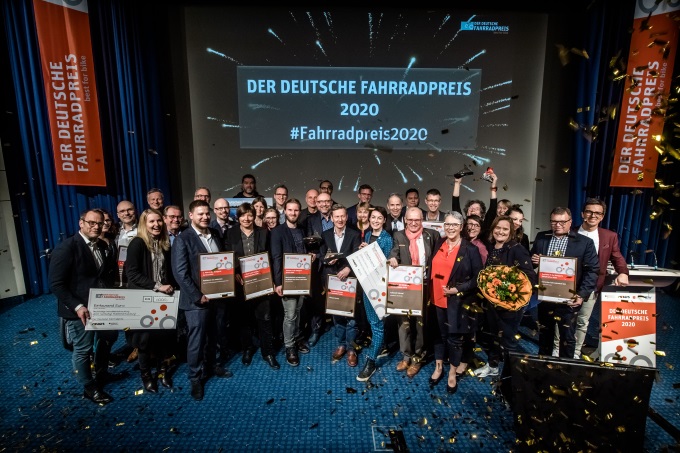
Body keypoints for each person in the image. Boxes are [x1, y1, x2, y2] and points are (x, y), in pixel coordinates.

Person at [49, 209, 120, 405]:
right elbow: (56, 284)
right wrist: (77, 306)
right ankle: (89, 388)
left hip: (102, 305)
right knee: (83, 349)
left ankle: (102, 373)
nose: (96, 226)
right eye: (91, 223)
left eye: (100, 223)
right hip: (79, 310)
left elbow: (101, 277)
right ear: (81, 223)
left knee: (108, 338)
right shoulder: (66, 248)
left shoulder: (102, 245)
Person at [172, 200, 233, 401]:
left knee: (215, 335)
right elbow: (180, 273)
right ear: (191, 215)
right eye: (200, 214)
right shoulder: (183, 239)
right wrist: (198, 296)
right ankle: (195, 377)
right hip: (196, 301)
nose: (205, 217)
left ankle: (212, 365)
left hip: (217, 297)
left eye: (207, 213)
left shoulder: (214, 233)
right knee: (197, 341)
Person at [556, 198, 629, 359]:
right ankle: (556, 350)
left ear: (602, 216)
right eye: (589, 211)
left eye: (597, 213)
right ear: (582, 214)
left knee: (582, 321)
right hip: (567, 284)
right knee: (561, 319)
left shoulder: (609, 236)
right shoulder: (569, 232)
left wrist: (623, 272)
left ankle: (575, 353)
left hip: (591, 286)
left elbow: (617, 257)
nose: (593, 215)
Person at [530, 207, 599, 359]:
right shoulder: (542, 237)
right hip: (546, 297)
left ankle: (566, 369)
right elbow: (531, 263)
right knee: (545, 334)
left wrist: (581, 295)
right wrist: (534, 260)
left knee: (567, 337)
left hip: (570, 298)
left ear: (570, 222)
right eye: (554, 221)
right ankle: (544, 365)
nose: (558, 225)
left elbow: (592, 271)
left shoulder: (584, 242)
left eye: (562, 222)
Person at [474, 216, 537, 378]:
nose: (500, 232)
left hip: (510, 305)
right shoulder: (491, 247)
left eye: (505, 229)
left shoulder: (517, 249)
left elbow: (529, 277)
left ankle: (511, 377)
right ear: (493, 229)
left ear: (511, 231)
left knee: (508, 341)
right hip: (492, 303)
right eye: (498, 228)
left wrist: (509, 294)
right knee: (494, 337)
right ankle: (493, 366)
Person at [123, 209, 177, 392]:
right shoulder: (137, 243)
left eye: (159, 221)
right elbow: (132, 274)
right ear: (144, 224)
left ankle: (162, 372)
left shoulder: (164, 243)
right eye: (151, 221)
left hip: (163, 298)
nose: (156, 225)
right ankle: (146, 376)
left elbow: (167, 271)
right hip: (143, 298)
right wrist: (157, 286)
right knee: (144, 341)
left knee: (163, 337)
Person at [429, 211, 483, 393]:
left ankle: (452, 373)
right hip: (435, 298)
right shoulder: (439, 242)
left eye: (454, 225)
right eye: (447, 224)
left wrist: (458, 289)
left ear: (461, 227)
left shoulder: (471, 249)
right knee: (438, 335)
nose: (450, 228)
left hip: (457, 302)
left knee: (454, 340)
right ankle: (438, 367)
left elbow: (478, 278)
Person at [224, 203, 280, 369]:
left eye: (249, 215)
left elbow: (270, 256)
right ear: (238, 217)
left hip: (262, 282)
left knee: (265, 318)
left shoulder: (263, 232)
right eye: (243, 215)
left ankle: (268, 352)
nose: (246, 218)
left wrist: (271, 278)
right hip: (241, 283)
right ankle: (247, 349)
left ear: (254, 216)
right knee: (244, 319)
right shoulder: (230, 233)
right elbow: (227, 255)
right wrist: (234, 272)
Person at [387, 206, 439, 378]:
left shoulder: (432, 235)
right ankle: (406, 356)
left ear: (422, 220)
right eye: (410, 220)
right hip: (404, 286)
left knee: (420, 324)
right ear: (405, 220)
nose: (414, 223)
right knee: (403, 323)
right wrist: (392, 258)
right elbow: (394, 251)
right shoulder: (398, 235)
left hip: (424, 286)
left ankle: (418, 357)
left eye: (417, 220)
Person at [271, 198, 312, 366]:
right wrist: (278, 282)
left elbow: (304, 251)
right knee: (290, 314)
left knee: (298, 310)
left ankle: (297, 338)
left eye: (296, 210)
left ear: (299, 212)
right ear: (285, 211)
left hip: (302, 278)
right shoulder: (277, 231)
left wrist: (311, 256)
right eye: (290, 210)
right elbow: (276, 257)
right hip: (287, 280)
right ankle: (289, 346)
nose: (293, 213)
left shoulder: (302, 229)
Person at [320, 204, 361, 367]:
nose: (340, 219)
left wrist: (348, 268)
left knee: (351, 318)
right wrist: (327, 260)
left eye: (343, 216)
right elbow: (322, 256)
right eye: (337, 216)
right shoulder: (325, 234)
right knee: (337, 316)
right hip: (333, 280)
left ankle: (351, 349)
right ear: (331, 218)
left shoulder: (354, 234)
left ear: (347, 217)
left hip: (350, 280)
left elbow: (358, 256)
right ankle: (341, 345)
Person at [356, 206, 393, 381]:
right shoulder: (368, 235)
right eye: (373, 217)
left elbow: (384, 266)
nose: (376, 220)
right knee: (373, 322)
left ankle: (371, 362)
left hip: (379, 287)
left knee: (377, 325)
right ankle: (382, 347)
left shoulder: (387, 239)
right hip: (366, 284)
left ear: (384, 220)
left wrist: (369, 253)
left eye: (379, 218)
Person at [451, 170, 498, 237]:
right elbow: (455, 205)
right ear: (467, 213)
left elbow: (493, 208)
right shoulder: (462, 225)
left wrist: (493, 185)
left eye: (477, 209)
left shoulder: (485, 226)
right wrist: (457, 183)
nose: (473, 210)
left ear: (481, 214)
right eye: (471, 208)